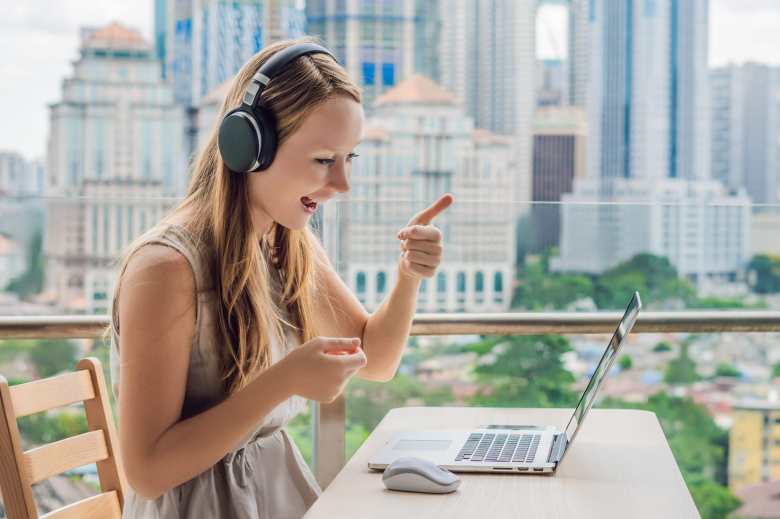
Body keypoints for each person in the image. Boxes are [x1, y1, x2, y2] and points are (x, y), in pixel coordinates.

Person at [109, 36, 453, 518]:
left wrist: (408, 275)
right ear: (248, 145)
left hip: (274, 499)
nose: (341, 186)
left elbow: (374, 360)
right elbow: (147, 470)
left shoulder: (286, 243)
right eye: (322, 160)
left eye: (348, 159)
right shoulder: (166, 269)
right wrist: (285, 380)